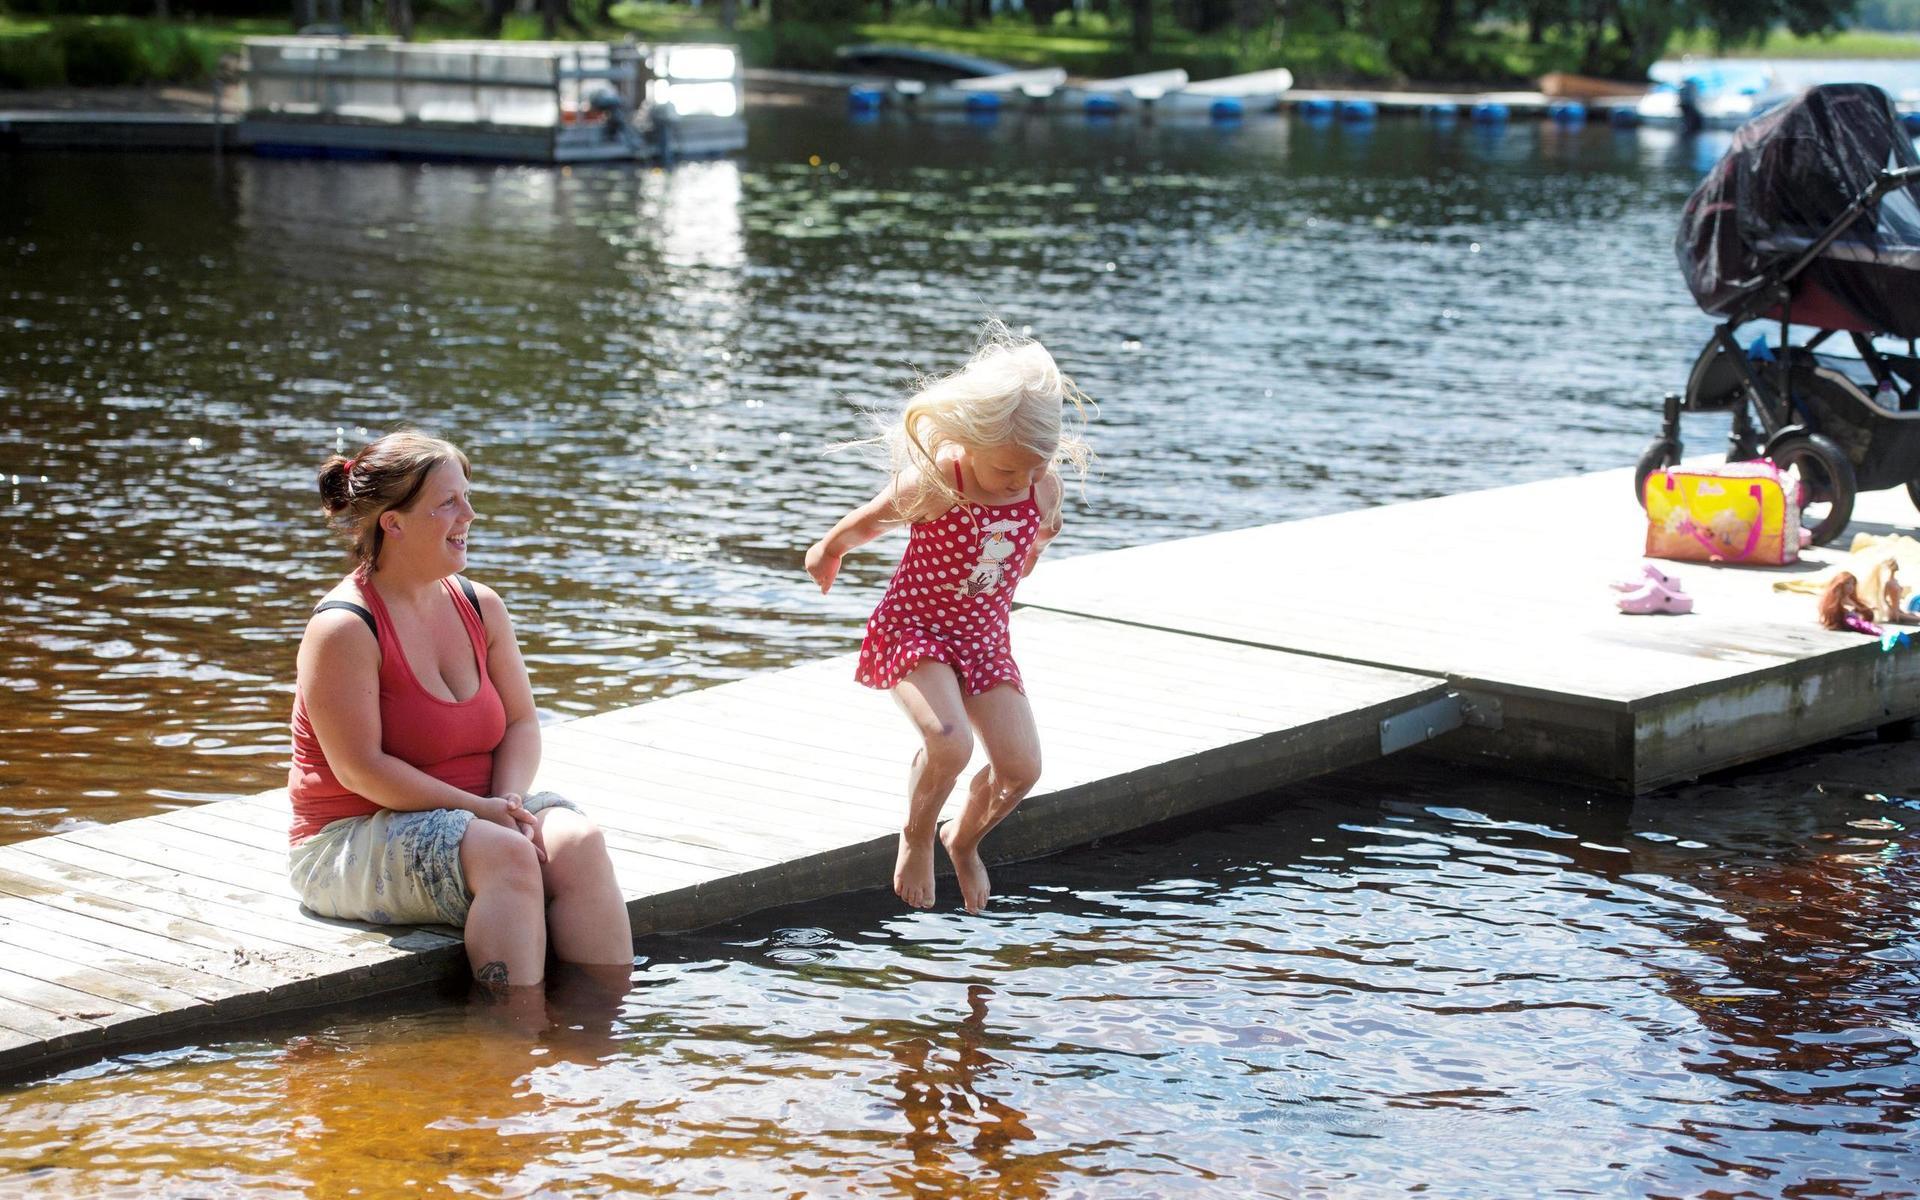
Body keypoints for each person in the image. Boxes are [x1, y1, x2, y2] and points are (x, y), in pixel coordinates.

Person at [287, 429, 631, 995]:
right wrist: (481, 812)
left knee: (578, 842)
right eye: (447, 502)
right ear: (392, 523)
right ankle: (509, 1049)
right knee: (508, 857)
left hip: (482, 813)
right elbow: (360, 770)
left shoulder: (480, 604)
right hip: (344, 842)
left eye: (466, 496)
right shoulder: (344, 628)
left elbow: (521, 722)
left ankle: (599, 1038)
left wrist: (508, 801)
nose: (468, 514)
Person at [805, 324, 1092, 914]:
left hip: (984, 639)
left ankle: (962, 841)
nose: (1020, 483)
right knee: (949, 742)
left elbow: (1038, 533)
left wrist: (1029, 552)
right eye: (1006, 473)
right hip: (914, 628)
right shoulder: (940, 481)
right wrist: (829, 550)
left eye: (1033, 470)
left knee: (1021, 770)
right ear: (968, 442)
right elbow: (870, 521)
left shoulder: (1041, 487)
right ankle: (914, 836)